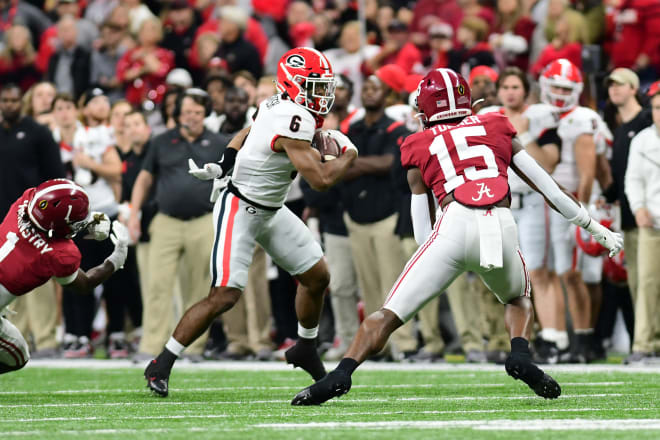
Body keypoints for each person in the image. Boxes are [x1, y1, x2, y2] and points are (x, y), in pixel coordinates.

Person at [291, 68, 623, 406]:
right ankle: (520, 355)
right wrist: (597, 229)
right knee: (518, 299)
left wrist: (441, 261)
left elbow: (423, 232)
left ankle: (341, 374)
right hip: (501, 222)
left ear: (425, 110)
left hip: (453, 224)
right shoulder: (496, 125)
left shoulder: (417, 143)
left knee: (387, 315)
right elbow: (549, 187)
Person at [143, 47, 357, 397]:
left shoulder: (278, 104)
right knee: (224, 295)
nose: (322, 95)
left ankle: (304, 346)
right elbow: (319, 178)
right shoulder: (294, 118)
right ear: (292, 85)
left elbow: (248, 129)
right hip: (240, 207)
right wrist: (349, 154)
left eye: (323, 86)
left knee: (317, 276)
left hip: (271, 209)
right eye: (314, 86)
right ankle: (161, 362)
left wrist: (226, 158)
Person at [0, 179, 128, 373]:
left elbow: (53, 220)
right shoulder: (60, 255)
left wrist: (86, 220)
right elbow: (85, 283)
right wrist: (115, 261)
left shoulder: (25, 200)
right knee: (19, 356)